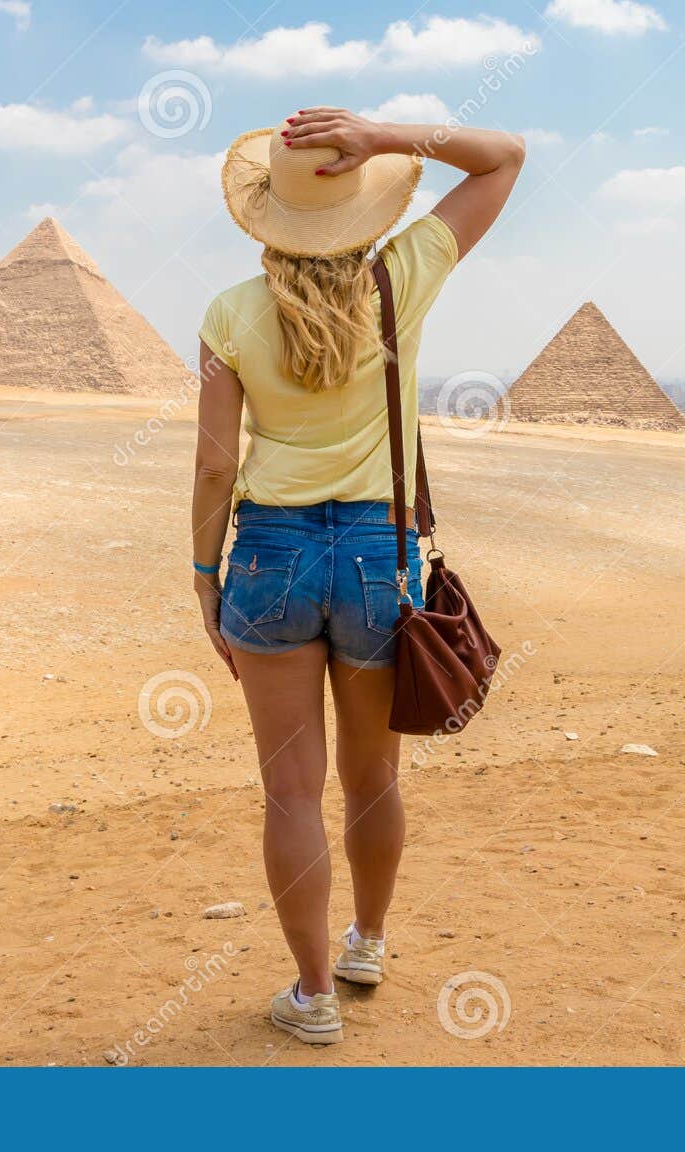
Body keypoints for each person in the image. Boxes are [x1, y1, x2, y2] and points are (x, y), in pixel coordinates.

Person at [191, 107, 524, 1045]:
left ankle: (313, 995)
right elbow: (504, 155)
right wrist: (386, 135)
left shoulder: (228, 313)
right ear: (362, 207)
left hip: (269, 554)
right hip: (381, 554)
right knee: (372, 778)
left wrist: (201, 570)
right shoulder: (405, 277)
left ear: (269, 218)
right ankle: (368, 942)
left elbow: (217, 462)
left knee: (290, 791)